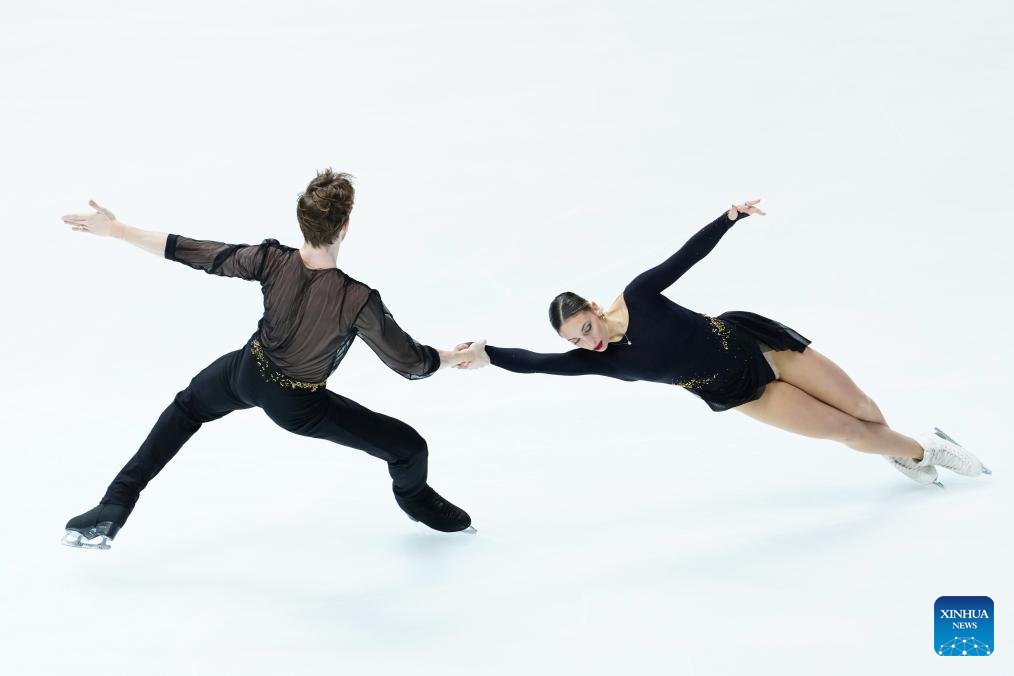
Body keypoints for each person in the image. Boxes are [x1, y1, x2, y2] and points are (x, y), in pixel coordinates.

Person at [61, 170, 478, 550]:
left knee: (186, 408)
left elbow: (193, 251)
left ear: (304, 223)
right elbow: (410, 363)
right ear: (345, 227)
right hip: (298, 405)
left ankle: (113, 506)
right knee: (409, 448)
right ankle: (414, 498)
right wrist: (451, 357)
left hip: (244, 371)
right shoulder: (356, 301)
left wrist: (115, 229)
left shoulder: (271, 260)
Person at [455, 200, 991, 486]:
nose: (587, 342)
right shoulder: (604, 364)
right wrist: (489, 353)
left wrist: (728, 218)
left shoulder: (639, 296)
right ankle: (925, 450)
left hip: (762, 345)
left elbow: (686, 256)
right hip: (746, 391)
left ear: (595, 309)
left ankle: (899, 448)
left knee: (865, 408)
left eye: (586, 328)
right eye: (575, 339)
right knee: (847, 429)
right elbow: (538, 364)